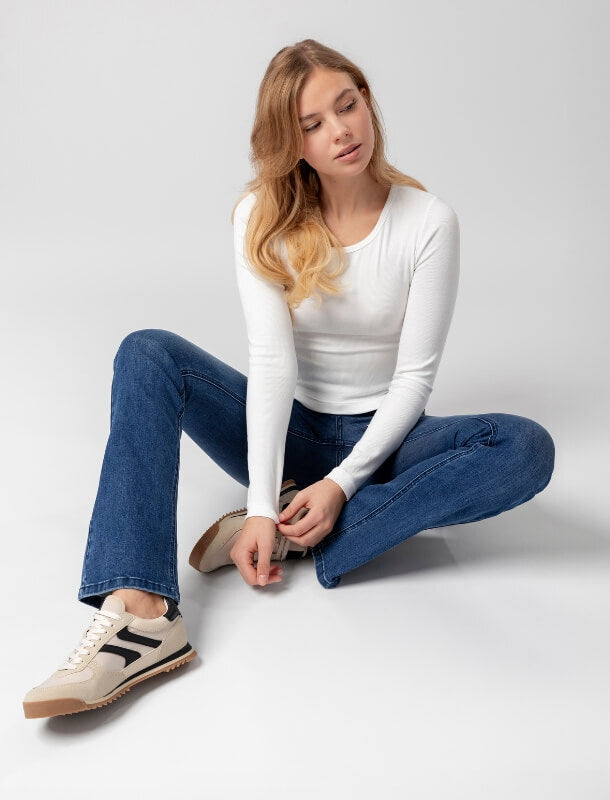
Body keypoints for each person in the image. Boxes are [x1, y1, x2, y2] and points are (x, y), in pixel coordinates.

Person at [23, 38, 555, 720]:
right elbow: (273, 365)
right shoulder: (263, 215)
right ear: (291, 142)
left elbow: (414, 383)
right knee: (147, 353)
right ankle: (143, 613)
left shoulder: (428, 222)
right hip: (295, 430)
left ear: (367, 102)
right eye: (313, 124)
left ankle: (309, 529)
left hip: (387, 440)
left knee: (524, 448)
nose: (341, 130)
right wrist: (259, 504)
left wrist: (340, 485)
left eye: (347, 105)